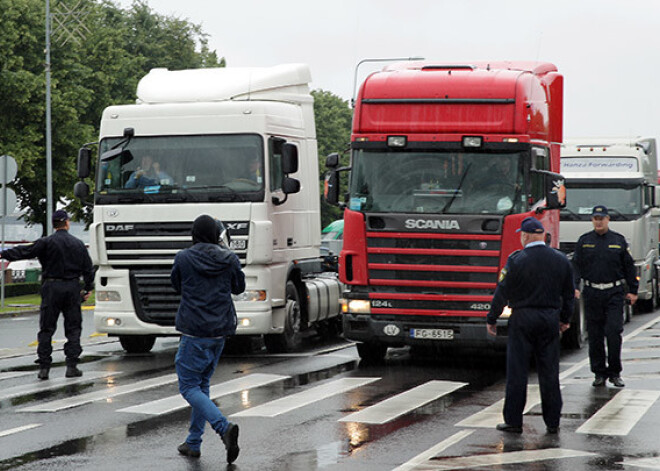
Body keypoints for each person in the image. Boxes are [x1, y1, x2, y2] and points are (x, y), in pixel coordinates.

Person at [487, 216, 574, 434]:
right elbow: (569, 294)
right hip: (549, 319)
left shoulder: (517, 259)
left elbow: (502, 291)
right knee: (549, 371)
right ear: (543, 235)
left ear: (525, 236)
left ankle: (514, 421)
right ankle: (553, 421)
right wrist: (565, 319)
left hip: (523, 318)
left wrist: (492, 318)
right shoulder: (561, 259)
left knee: (518, 371)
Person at [171, 214, 245, 463]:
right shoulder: (229, 258)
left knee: (189, 387)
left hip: (194, 331)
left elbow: (176, 285)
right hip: (219, 332)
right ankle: (193, 442)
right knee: (201, 386)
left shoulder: (183, 258)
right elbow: (239, 287)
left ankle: (223, 427)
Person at [0, 210, 94, 380]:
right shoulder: (78, 244)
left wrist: (4, 253)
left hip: (51, 286)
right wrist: (87, 289)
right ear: (67, 223)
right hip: (72, 287)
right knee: (73, 328)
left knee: (47, 328)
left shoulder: (46, 242)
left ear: (53, 224)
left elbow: (25, 251)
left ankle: (44, 367)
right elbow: (88, 269)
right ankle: (71, 365)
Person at [573, 205, 637, 388]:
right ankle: (599, 373)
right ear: (592, 220)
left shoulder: (618, 240)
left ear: (608, 219)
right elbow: (576, 266)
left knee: (613, 332)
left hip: (614, 293)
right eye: (595, 218)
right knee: (594, 335)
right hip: (593, 293)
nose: (598, 221)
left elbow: (629, 267)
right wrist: (574, 286)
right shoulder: (584, 241)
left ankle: (615, 372)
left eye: (602, 218)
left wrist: (632, 290)